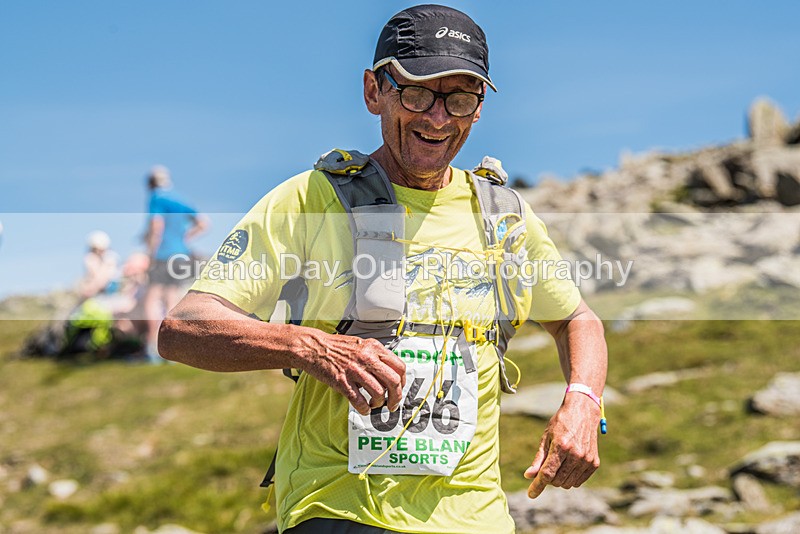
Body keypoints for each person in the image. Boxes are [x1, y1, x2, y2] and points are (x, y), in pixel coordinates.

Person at [159, 5, 608, 533]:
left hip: (475, 518)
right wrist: (313, 348)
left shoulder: (503, 216)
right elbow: (183, 328)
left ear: (479, 108)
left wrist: (583, 402)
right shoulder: (312, 198)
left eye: (460, 98)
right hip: (339, 508)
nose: (438, 118)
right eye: (417, 93)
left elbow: (577, 320)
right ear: (374, 91)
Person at [143, 165, 208, 363]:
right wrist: (184, 240)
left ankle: (153, 348)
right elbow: (204, 223)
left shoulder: (156, 198)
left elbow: (156, 226)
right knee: (171, 299)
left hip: (163, 254)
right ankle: (172, 349)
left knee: (152, 299)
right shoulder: (179, 199)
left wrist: (151, 254)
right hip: (181, 254)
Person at [77, 230, 119, 300]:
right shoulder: (91, 259)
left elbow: (101, 281)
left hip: (107, 294)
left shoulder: (109, 259)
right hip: (99, 295)